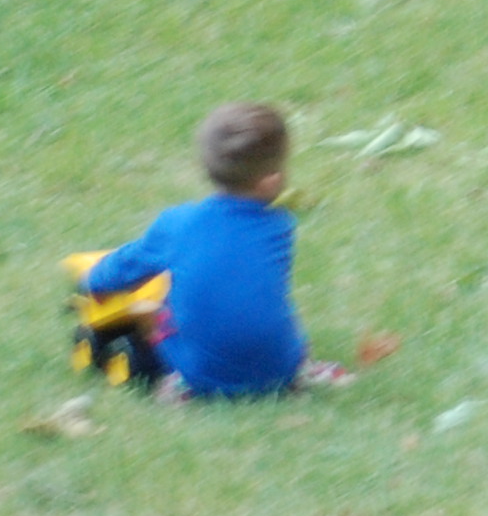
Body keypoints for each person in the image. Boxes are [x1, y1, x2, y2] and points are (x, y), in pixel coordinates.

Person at [65, 101, 339, 400]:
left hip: (203, 376)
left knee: (159, 318)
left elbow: (127, 265)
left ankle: (177, 383)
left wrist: (93, 279)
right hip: (281, 368)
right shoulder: (279, 226)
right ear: (271, 181)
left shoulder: (177, 224)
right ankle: (296, 368)